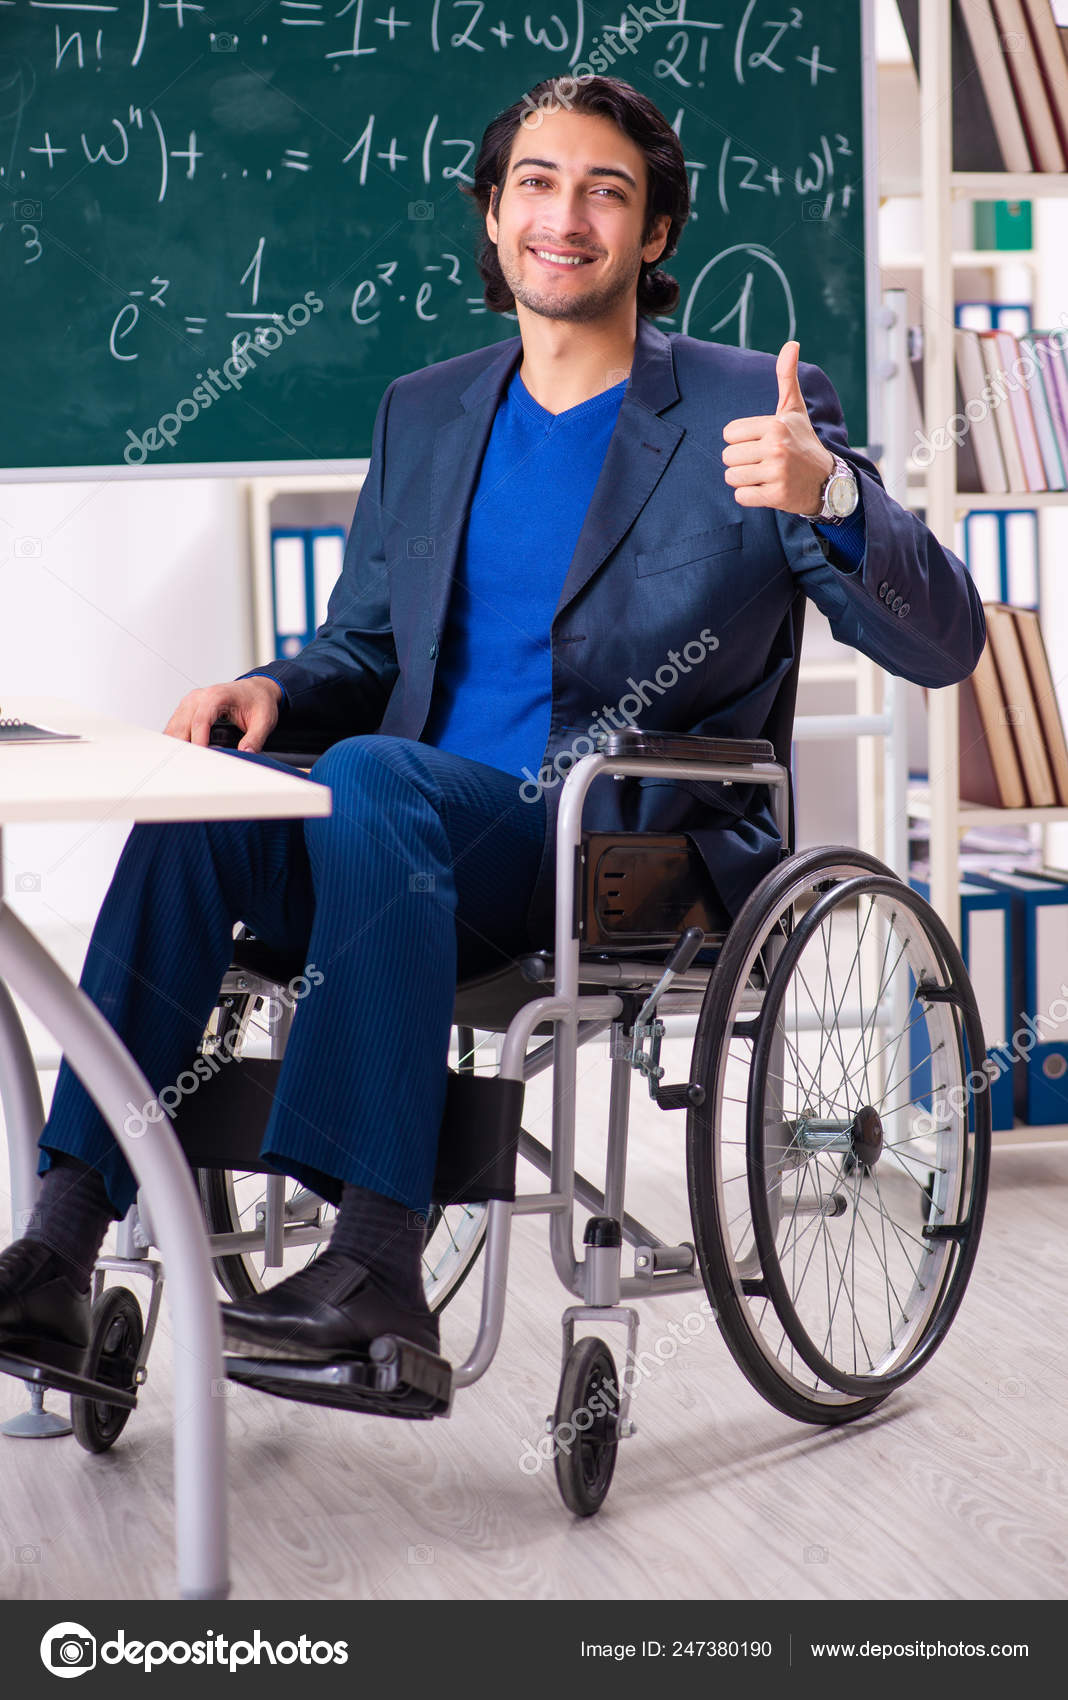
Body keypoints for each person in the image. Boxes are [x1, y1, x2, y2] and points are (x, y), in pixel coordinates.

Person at [0, 75, 985, 1371]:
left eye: (605, 190)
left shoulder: (754, 412)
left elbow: (942, 642)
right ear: (495, 216)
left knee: (371, 779)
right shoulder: (430, 408)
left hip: (609, 857)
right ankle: (59, 1252)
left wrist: (836, 502)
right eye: (535, 182)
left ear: (656, 234)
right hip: (396, 841)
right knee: (206, 803)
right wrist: (273, 694)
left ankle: (374, 1266)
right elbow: (366, 647)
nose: (563, 215)